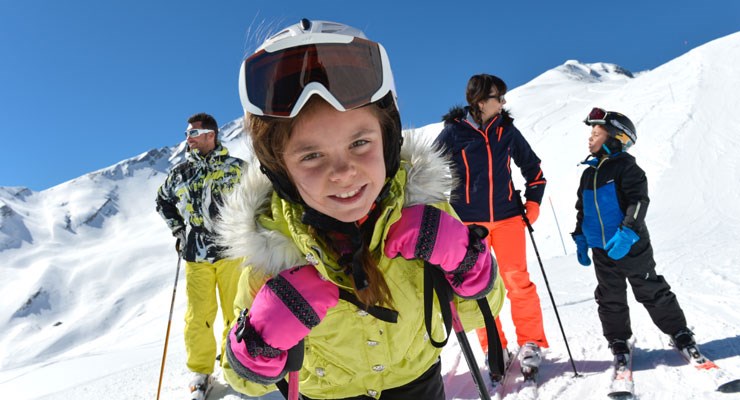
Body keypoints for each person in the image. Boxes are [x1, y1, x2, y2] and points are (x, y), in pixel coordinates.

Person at [214, 19, 506, 400]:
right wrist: (261, 339)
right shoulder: (271, 247)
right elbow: (244, 382)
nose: (343, 173)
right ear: (280, 168)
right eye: (312, 155)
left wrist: (467, 260)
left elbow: (479, 312)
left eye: (359, 143)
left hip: (419, 384)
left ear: (387, 140)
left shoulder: (424, 212)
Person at [434, 74, 549, 379]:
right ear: (481, 100)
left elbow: (534, 170)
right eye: (499, 96)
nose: (504, 102)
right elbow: (428, 170)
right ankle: (493, 346)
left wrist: (533, 203)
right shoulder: (454, 133)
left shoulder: (506, 130)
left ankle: (530, 343)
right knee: (479, 289)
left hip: (509, 218)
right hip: (470, 227)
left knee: (517, 282)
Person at [572, 107, 696, 361]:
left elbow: (638, 202)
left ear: (616, 138)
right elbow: (582, 208)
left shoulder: (627, 168)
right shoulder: (588, 174)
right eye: (591, 133)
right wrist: (581, 237)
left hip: (631, 244)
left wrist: (627, 233)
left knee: (650, 289)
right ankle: (617, 339)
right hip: (602, 249)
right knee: (609, 296)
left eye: (597, 133)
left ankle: (679, 331)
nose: (590, 138)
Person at [155, 112, 244, 399]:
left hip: (232, 252)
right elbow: (162, 201)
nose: (188, 138)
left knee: (238, 312)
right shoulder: (180, 173)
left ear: (211, 134)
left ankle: (236, 366)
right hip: (196, 256)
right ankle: (201, 371)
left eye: (193, 133)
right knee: (198, 317)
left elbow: (260, 201)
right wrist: (178, 230)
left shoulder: (237, 169)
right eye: (186, 134)